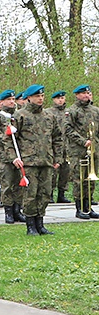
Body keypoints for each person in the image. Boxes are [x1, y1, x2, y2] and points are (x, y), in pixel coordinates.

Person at [12, 84, 62, 235]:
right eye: (36, 96)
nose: (40, 99)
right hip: (28, 162)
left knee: (45, 193)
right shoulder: (20, 116)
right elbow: (9, 139)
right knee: (30, 193)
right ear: (29, 98)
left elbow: (57, 138)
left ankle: (40, 223)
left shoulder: (49, 116)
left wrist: (58, 157)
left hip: (46, 160)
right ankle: (30, 225)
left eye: (41, 96)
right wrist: (13, 157)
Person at [0, 90, 25, 224]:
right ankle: (8, 212)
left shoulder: (19, 116)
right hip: (4, 157)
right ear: (1, 102)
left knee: (19, 185)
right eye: (9, 99)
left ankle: (17, 210)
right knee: (7, 185)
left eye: (13, 99)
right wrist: (7, 134)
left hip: (20, 156)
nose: (12, 102)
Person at [64, 84, 99, 219]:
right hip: (78, 151)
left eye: (88, 93)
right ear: (77, 95)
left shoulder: (95, 110)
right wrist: (82, 141)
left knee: (91, 180)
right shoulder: (72, 111)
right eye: (83, 93)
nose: (86, 95)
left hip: (94, 150)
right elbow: (67, 129)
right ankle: (80, 208)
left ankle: (88, 206)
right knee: (79, 179)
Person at [48, 91, 71, 203]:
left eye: (62, 98)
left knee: (65, 171)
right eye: (58, 98)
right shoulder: (49, 112)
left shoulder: (69, 112)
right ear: (53, 100)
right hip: (54, 146)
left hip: (67, 146)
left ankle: (62, 194)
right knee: (53, 171)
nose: (60, 100)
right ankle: (50, 194)